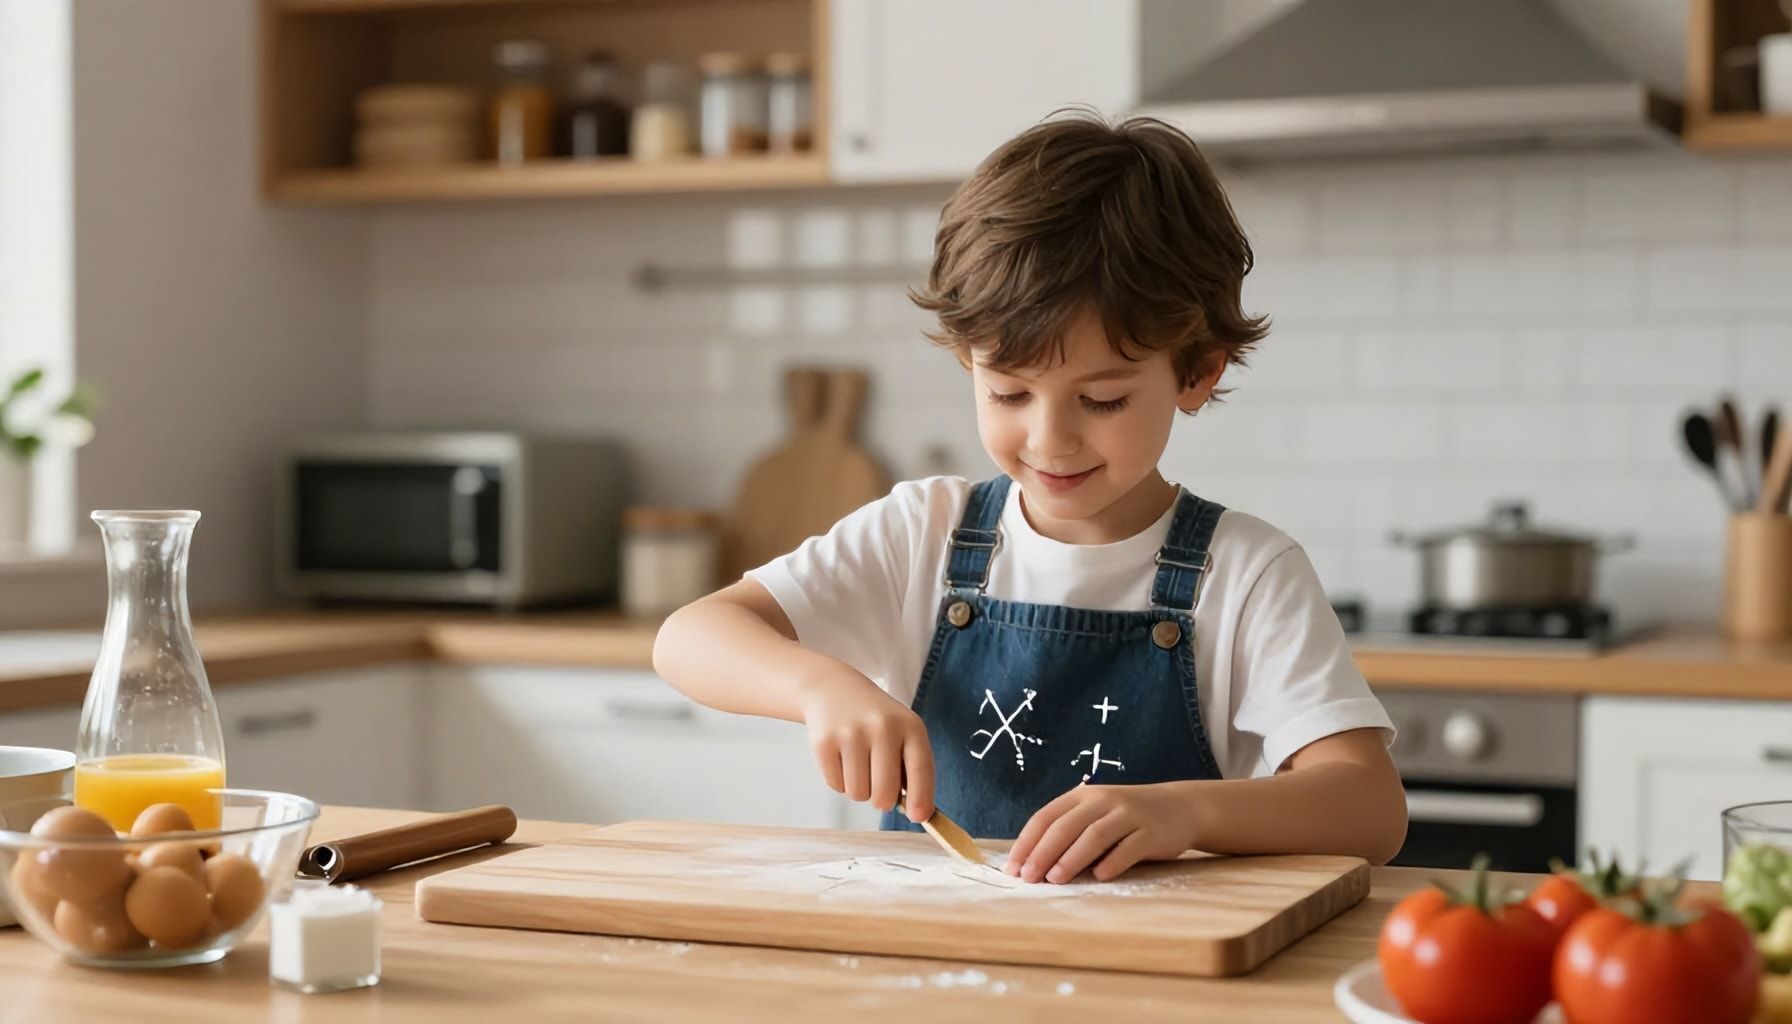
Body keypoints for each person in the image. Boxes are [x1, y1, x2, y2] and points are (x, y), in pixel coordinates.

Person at [654, 112, 1407, 884]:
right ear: (965, 359)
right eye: (1009, 392)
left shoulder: (1247, 573)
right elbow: (689, 637)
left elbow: (1369, 810)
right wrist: (818, 686)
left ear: (1197, 372)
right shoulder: (923, 534)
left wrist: (1181, 813)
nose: (1050, 440)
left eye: (1103, 400)